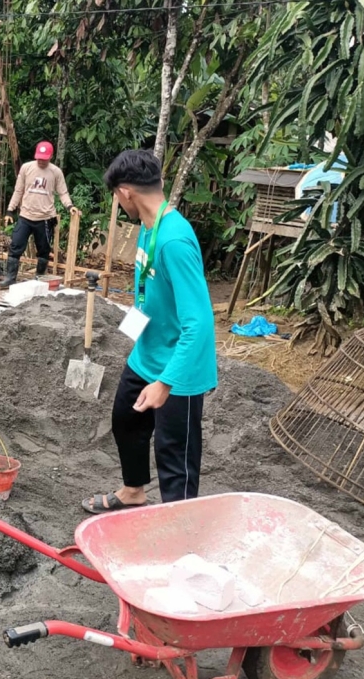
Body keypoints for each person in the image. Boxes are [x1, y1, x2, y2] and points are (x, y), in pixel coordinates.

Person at [82, 149, 217, 514]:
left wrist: (165, 383)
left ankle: (178, 526)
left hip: (179, 369)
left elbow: (199, 323)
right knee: (126, 421)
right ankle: (133, 492)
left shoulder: (174, 241)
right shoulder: (147, 226)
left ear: (125, 192)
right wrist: (131, 332)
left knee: (175, 456)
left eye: (116, 196)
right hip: (147, 355)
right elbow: (148, 291)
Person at [2, 141, 77, 286]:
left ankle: (39, 278)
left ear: (50, 157)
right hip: (26, 215)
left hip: (45, 218)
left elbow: (63, 192)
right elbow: (18, 190)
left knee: (43, 250)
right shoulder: (26, 168)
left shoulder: (56, 172)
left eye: (44, 159)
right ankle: (10, 278)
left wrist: (70, 206)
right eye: (39, 158)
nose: (41, 161)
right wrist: (10, 211)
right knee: (16, 245)